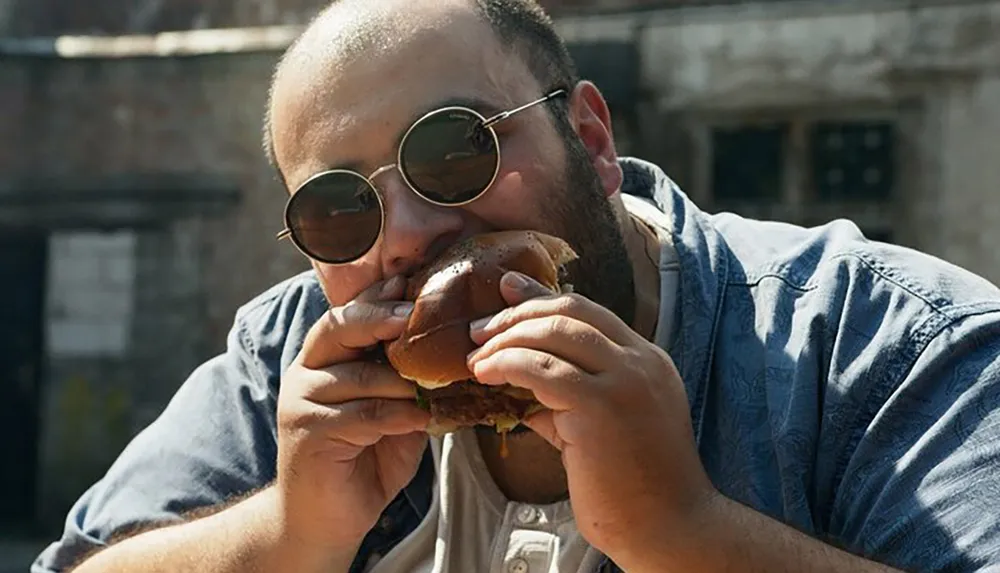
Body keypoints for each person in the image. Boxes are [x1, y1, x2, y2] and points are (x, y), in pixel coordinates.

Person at [33, 0, 1000, 571]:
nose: (408, 235)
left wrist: (682, 531)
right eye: (339, 210)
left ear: (591, 140)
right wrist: (288, 530)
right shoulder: (288, 364)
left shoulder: (886, 343)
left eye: (456, 148)